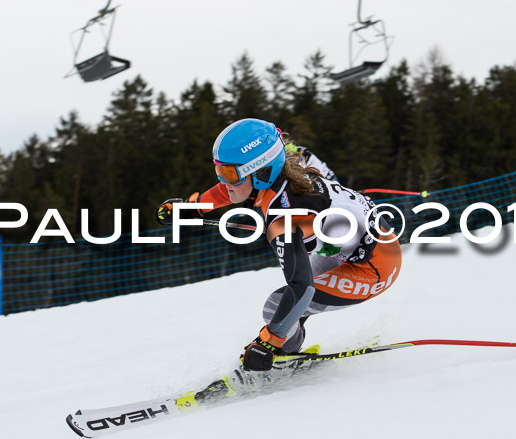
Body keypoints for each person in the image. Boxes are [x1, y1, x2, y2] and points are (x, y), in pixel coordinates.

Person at [155, 118, 402, 372]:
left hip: (376, 267)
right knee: (286, 308)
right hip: (352, 246)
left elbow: (301, 287)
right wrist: (193, 208)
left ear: (261, 172)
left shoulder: (284, 218)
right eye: (219, 170)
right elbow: (226, 191)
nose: (223, 181)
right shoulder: (281, 179)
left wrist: (268, 343)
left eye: (229, 173)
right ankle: (288, 348)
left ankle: (283, 355)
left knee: (278, 304)